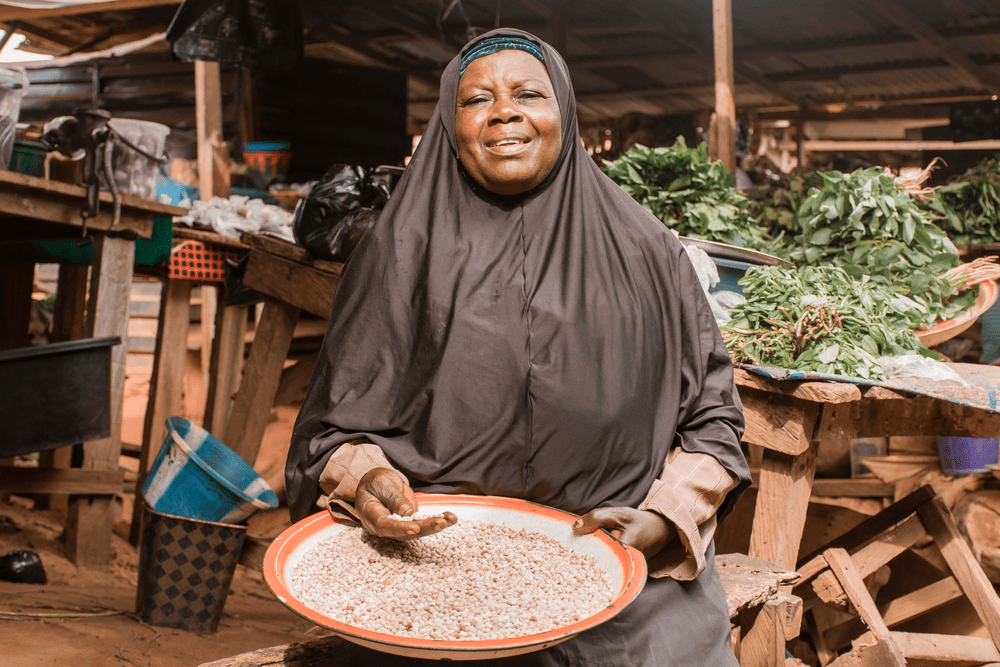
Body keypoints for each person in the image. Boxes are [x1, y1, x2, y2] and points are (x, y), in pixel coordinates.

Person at [286, 27, 750, 667]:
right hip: (433, 570)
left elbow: (714, 419)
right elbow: (332, 431)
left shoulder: (647, 251)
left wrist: (665, 519)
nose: (504, 111)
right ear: (451, 127)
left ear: (564, 112)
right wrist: (366, 482)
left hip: (623, 575)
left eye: (528, 93)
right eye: (478, 100)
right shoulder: (399, 253)